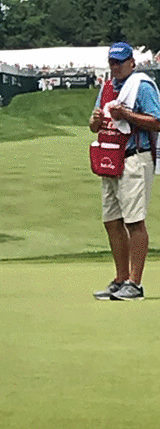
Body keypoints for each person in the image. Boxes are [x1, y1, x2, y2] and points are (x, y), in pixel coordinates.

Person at [90, 42, 160, 301]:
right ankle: (120, 280)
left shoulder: (141, 86)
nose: (116, 66)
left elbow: (157, 121)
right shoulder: (107, 87)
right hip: (110, 158)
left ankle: (135, 282)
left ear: (132, 62)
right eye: (112, 62)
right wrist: (94, 122)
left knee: (134, 221)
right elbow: (94, 123)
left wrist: (127, 115)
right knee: (112, 221)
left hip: (134, 157)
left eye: (120, 61)